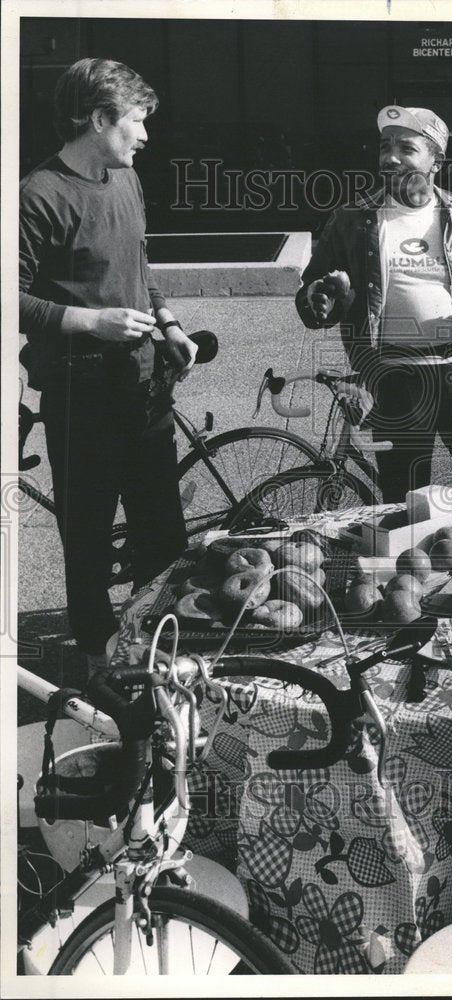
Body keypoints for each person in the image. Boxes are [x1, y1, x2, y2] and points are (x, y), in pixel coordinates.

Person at [19, 58, 197, 675]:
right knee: (89, 541)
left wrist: (168, 322)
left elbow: (139, 268)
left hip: (145, 387)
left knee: (163, 538)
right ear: (98, 120)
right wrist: (91, 322)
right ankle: (97, 667)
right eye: (137, 122)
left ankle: (158, 656)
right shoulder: (38, 195)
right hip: (79, 395)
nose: (146, 135)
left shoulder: (127, 180)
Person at [295, 105, 452, 504]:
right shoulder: (352, 218)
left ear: (436, 160)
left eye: (406, 147)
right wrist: (318, 300)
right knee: (409, 511)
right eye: (385, 146)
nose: (390, 156)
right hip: (392, 381)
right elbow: (312, 292)